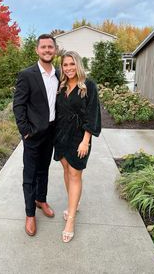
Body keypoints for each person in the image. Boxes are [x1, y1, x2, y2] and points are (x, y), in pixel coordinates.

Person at [13, 34, 59, 236]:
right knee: (30, 174)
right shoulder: (27, 74)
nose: (47, 50)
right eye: (44, 47)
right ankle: (30, 214)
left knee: (44, 170)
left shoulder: (58, 74)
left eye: (50, 47)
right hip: (33, 133)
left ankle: (41, 200)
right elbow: (19, 105)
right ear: (37, 50)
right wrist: (25, 131)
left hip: (51, 131)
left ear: (55, 50)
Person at [54, 51, 101, 243]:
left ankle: (71, 219)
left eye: (72, 64)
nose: (69, 68)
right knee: (66, 170)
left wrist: (86, 140)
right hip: (60, 134)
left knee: (75, 173)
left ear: (78, 65)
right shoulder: (61, 85)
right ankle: (74, 204)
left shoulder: (88, 86)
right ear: (62, 67)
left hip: (79, 136)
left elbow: (92, 113)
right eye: (65, 65)